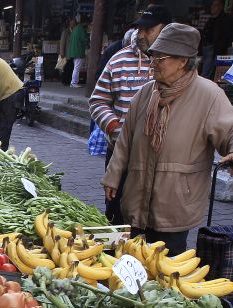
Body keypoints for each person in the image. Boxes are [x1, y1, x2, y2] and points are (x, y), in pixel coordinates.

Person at [102, 24, 233, 254]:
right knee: (127, 260)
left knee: (165, 268)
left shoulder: (208, 95)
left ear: (183, 61)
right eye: (152, 57)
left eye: (160, 58)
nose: (153, 63)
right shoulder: (145, 93)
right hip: (136, 196)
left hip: (175, 202)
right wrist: (113, 177)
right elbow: (125, 141)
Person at [89, 5, 171, 224]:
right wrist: (115, 128)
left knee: (156, 216)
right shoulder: (118, 60)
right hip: (120, 154)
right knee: (116, 213)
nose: (142, 35)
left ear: (166, 30)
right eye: (140, 29)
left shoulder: (177, 65)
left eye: (149, 30)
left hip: (161, 158)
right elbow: (98, 101)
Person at [200, 0, 233, 79]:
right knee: (204, 68)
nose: (212, 7)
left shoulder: (224, 19)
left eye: (215, 5)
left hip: (213, 48)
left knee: (206, 71)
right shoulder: (211, 19)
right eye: (212, 5)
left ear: (220, 7)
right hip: (205, 47)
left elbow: (226, 36)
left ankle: (201, 88)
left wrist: (220, 47)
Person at [66, 16, 88, 86]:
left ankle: (74, 82)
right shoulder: (81, 29)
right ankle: (74, 82)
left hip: (73, 51)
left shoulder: (75, 29)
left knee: (75, 67)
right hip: (78, 51)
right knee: (77, 68)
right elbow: (84, 39)